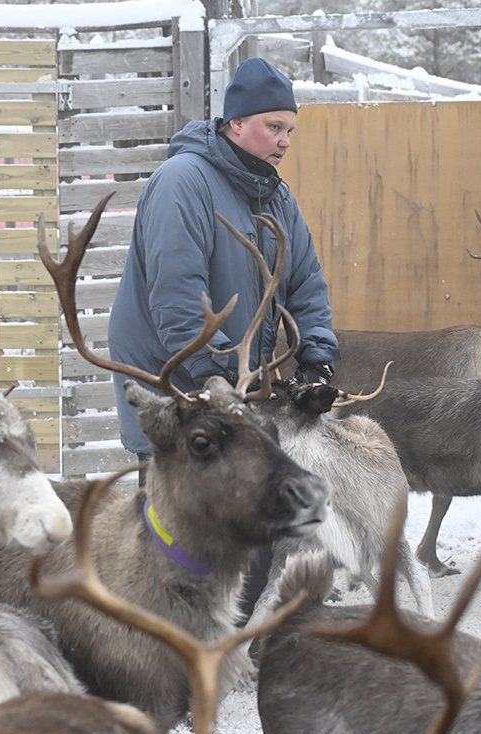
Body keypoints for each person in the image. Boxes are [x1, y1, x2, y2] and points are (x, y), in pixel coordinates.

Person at [107, 57, 339, 458]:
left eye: (289, 130)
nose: (285, 141)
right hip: (175, 384)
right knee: (178, 494)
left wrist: (316, 360)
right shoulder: (181, 182)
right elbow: (177, 297)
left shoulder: (277, 198)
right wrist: (223, 370)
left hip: (233, 386)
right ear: (237, 122)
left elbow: (307, 284)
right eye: (274, 127)